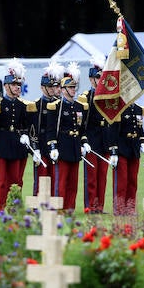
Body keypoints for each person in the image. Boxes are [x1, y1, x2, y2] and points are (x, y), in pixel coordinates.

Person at [0, 59, 35, 211]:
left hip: (17, 146)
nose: (17, 88)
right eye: (14, 85)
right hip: (2, 145)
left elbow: (26, 126)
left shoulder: (23, 105)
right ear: (6, 86)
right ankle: (0, 208)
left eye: (19, 85)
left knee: (16, 181)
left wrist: (26, 135)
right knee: (1, 181)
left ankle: (14, 208)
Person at [45, 63, 84, 211]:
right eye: (71, 87)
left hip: (74, 148)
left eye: (75, 87)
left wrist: (83, 143)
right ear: (63, 90)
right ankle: (58, 209)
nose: (74, 90)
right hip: (62, 147)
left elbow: (81, 129)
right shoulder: (56, 106)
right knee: (61, 181)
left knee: (73, 182)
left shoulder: (79, 106)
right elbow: (51, 130)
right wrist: (53, 146)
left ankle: (70, 208)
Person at [80, 58, 112, 213]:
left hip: (104, 140)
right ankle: (90, 206)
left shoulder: (107, 97)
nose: (99, 81)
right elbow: (82, 123)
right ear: (91, 79)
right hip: (91, 140)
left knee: (102, 175)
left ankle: (100, 206)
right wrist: (83, 141)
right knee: (91, 176)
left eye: (101, 78)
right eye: (97, 78)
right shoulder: (85, 97)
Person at [107, 101, 144, 215]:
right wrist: (113, 151)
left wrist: (142, 142)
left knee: (133, 180)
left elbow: (140, 128)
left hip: (134, 148)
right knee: (121, 180)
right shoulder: (118, 108)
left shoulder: (138, 108)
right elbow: (112, 130)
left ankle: (130, 207)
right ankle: (119, 208)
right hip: (121, 148)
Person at [32, 60, 63, 197]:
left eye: (53, 87)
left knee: (55, 177)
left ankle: (53, 203)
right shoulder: (36, 105)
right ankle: (39, 204)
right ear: (42, 88)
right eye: (48, 87)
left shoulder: (59, 105)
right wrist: (35, 148)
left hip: (56, 146)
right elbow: (33, 129)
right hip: (41, 146)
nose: (51, 89)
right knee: (41, 178)